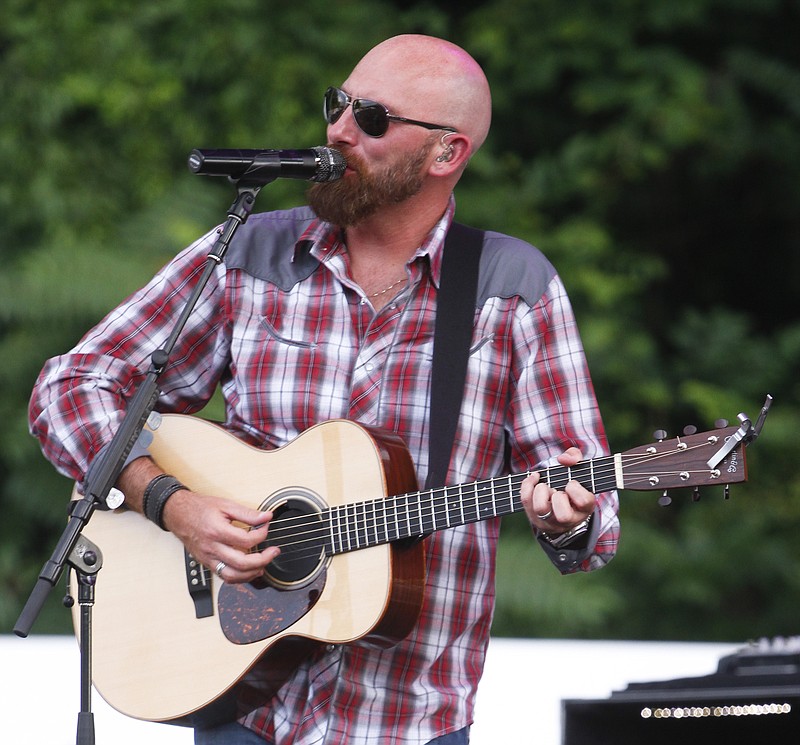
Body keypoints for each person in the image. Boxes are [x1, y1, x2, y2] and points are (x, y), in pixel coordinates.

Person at [29, 34, 619, 745]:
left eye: (372, 117)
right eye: (337, 104)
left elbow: (592, 517)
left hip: (405, 720)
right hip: (242, 707)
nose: (338, 129)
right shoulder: (252, 253)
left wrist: (568, 518)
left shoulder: (513, 289)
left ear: (446, 154)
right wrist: (168, 501)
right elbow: (72, 384)